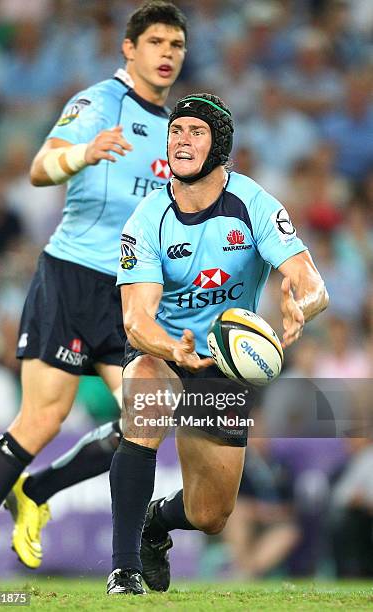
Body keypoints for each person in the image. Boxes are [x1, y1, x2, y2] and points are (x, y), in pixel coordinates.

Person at [0, 0, 187, 590]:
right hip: (70, 276)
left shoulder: (177, 130)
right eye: (156, 43)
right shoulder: (97, 103)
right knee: (41, 419)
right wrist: (82, 154)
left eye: (176, 45)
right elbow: (40, 168)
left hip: (128, 294)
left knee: (143, 419)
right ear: (130, 48)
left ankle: (37, 490)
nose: (167, 54)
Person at [107, 92, 329, 594]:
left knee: (211, 514)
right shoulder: (146, 219)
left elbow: (310, 279)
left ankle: (155, 525)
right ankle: (124, 569)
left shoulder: (253, 205)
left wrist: (301, 306)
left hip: (225, 363)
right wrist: (171, 349)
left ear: (220, 145)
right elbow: (136, 320)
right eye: (176, 132)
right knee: (146, 395)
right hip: (165, 346)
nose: (182, 141)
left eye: (196, 133)